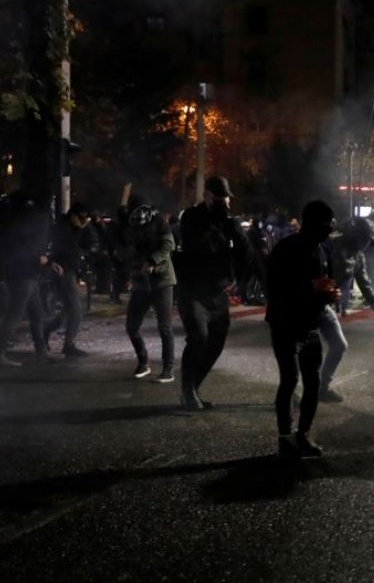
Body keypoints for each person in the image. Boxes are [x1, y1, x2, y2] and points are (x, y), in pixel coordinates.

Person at [266, 200, 338, 458]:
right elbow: (274, 288)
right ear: (313, 224)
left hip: (309, 323)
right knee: (289, 379)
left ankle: (303, 434)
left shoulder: (321, 250)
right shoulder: (287, 248)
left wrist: (329, 295)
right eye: (326, 224)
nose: (329, 229)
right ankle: (285, 437)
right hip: (285, 323)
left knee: (312, 381)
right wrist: (312, 289)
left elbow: (322, 286)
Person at [176, 176, 254, 410]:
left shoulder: (228, 221)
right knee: (198, 339)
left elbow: (246, 255)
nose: (225, 203)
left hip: (217, 291)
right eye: (219, 198)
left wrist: (236, 232)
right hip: (192, 290)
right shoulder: (192, 217)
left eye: (226, 198)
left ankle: (194, 386)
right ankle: (187, 390)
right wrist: (217, 227)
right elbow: (196, 247)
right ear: (207, 196)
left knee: (216, 343)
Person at [319, 217, 374, 402]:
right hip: (305, 303)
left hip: (323, 305)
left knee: (339, 345)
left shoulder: (357, 257)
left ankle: (323, 388)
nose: (367, 244)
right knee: (305, 352)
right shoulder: (326, 246)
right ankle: (293, 393)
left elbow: (366, 286)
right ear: (355, 235)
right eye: (365, 238)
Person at [115, 184, 177, 382]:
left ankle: (168, 368)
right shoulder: (128, 224)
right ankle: (143, 362)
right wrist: (129, 268)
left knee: (164, 327)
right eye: (137, 213)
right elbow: (126, 248)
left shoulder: (159, 221)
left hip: (162, 280)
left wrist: (152, 261)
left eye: (143, 211)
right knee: (132, 326)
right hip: (141, 283)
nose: (141, 217)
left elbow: (169, 244)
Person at [0, 191, 63, 366]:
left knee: (36, 314)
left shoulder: (14, 223)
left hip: (26, 274)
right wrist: (42, 260)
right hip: (22, 274)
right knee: (15, 313)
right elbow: (23, 250)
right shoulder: (17, 225)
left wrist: (48, 262)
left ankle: (41, 352)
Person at [44, 201, 92, 357]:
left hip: (70, 271)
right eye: (81, 217)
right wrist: (52, 263)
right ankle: (68, 344)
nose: (83, 220)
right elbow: (57, 248)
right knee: (76, 310)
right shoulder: (62, 228)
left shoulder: (74, 228)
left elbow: (86, 244)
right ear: (73, 216)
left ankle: (45, 331)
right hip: (63, 272)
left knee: (67, 310)